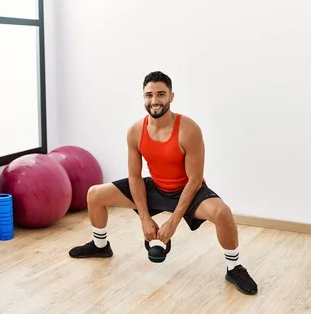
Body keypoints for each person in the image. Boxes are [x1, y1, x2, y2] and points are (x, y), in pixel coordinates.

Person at [68, 71, 258, 295]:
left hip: (188, 189)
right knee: (94, 194)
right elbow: (135, 177)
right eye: (149, 95)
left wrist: (173, 222)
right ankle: (100, 246)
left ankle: (233, 267)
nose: (154, 100)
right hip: (155, 187)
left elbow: (195, 179)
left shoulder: (188, 129)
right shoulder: (135, 131)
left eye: (160, 94)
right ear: (143, 97)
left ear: (171, 96)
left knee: (222, 213)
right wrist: (144, 218)